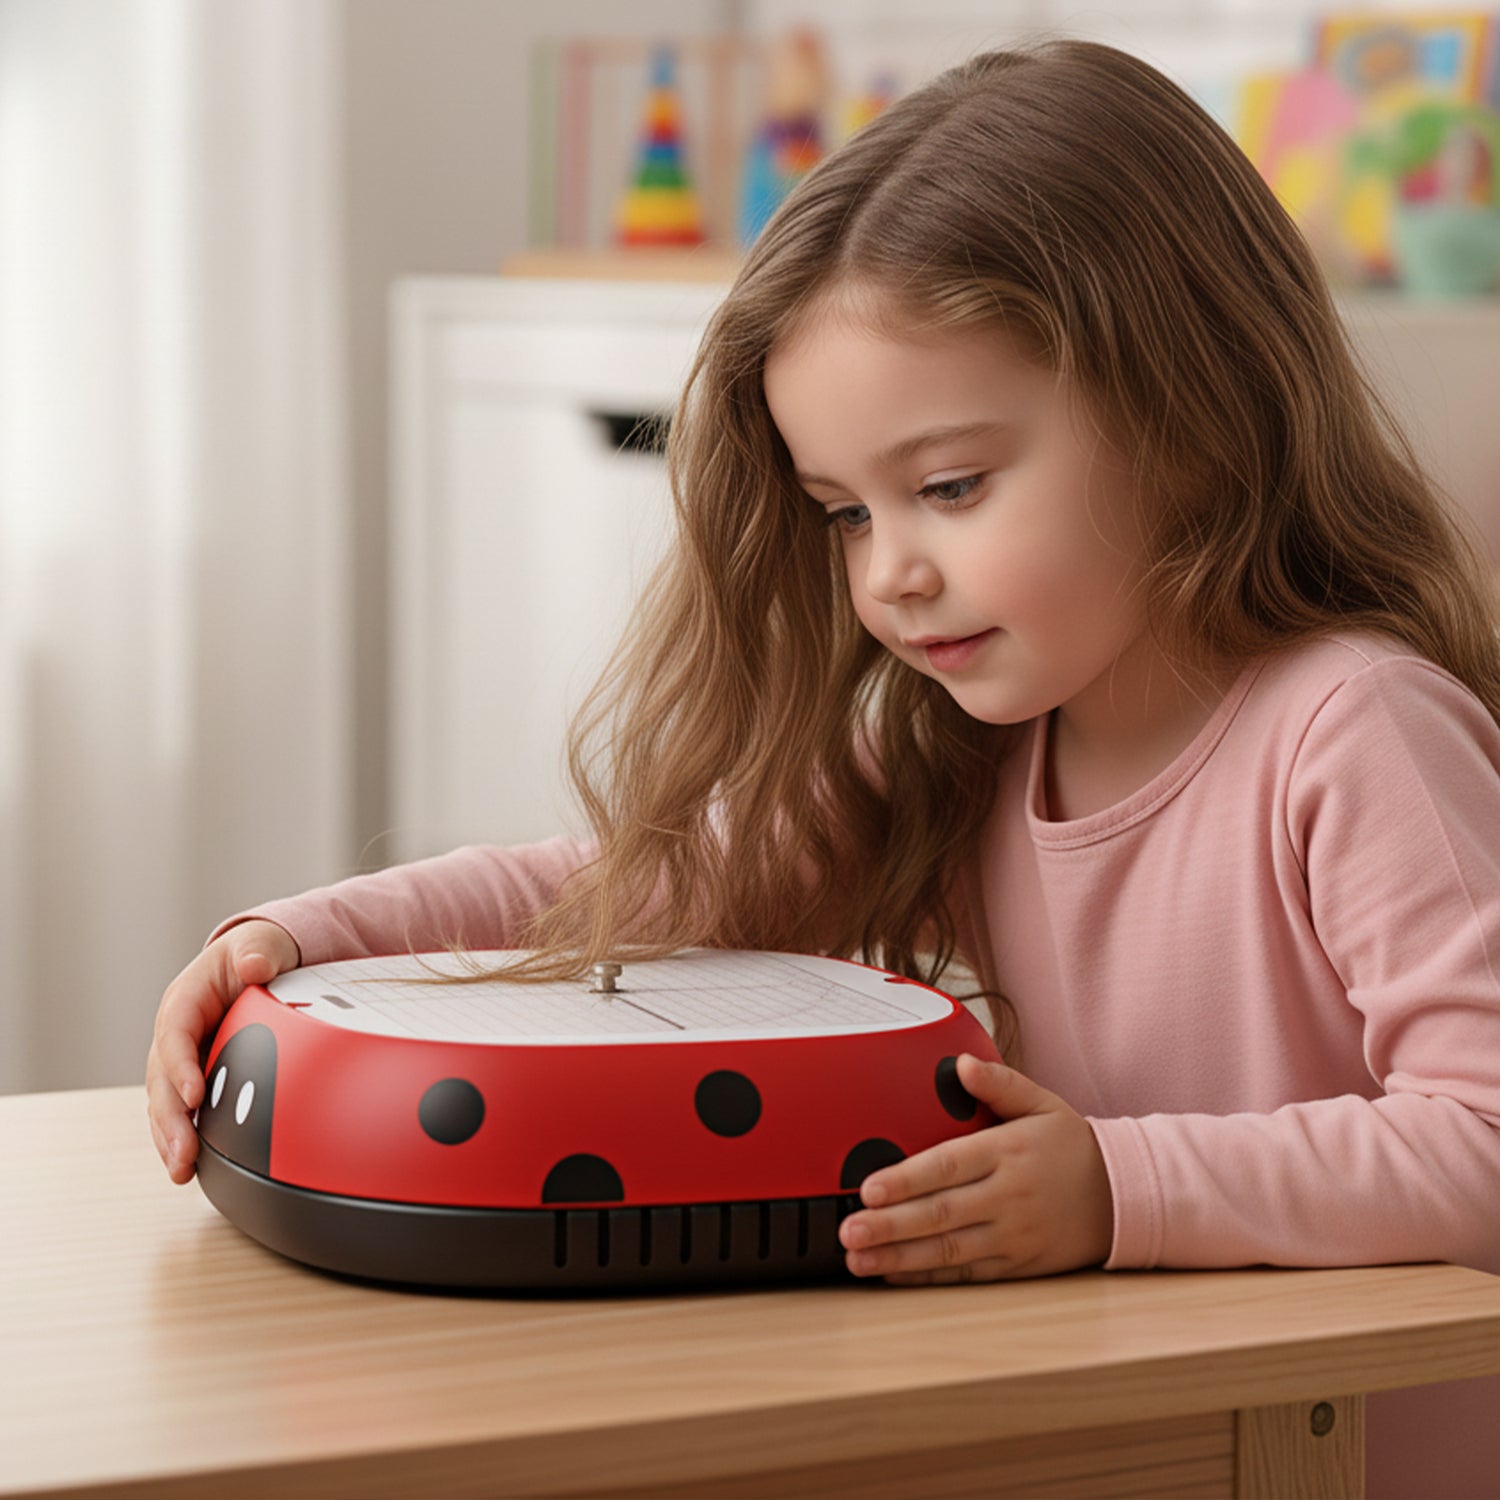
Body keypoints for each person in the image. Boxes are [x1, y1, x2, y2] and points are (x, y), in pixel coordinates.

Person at [146, 40, 1500, 1496]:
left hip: (1351, 1454)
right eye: (846, 514)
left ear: (1189, 409)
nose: (893, 575)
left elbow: (1484, 1135)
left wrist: (1124, 1184)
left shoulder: (1354, 729)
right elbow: (634, 885)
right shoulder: (953, 746)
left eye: (952, 486)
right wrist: (308, 940)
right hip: (1132, 1439)